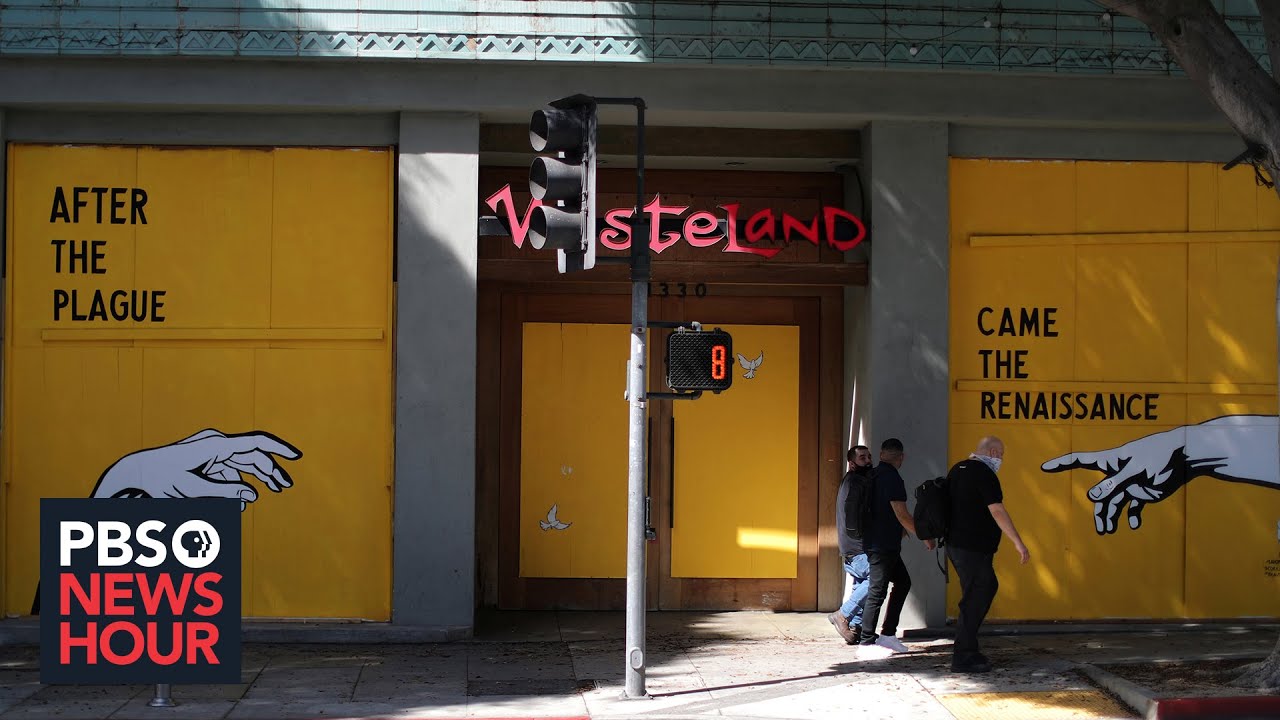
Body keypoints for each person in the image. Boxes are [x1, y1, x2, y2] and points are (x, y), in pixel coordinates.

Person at [946, 435, 1031, 673]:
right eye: (1001, 454)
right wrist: (1018, 542)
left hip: (957, 545)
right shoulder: (984, 473)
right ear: (993, 452)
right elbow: (997, 510)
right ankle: (964, 655)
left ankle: (968, 649)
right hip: (973, 547)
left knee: (980, 591)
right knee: (977, 595)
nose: (1001, 459)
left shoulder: (957, 470)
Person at [857, 438, 917, 654]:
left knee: (903, 582)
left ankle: (888, 635)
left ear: (882, 454)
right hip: (883, 545)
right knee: (877, 591)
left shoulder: (873, 475)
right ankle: (866, 642)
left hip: (876, 541)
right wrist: (924, 535)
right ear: (901, 457)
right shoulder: (892, 478)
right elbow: (901, 513)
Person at [828, 444, 873, 644]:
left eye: (869, 456)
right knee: (875, 578)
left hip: (851, 545)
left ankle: (855, 627)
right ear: (852, 463)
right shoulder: (855, 482)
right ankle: (843, 614)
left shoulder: (852, 481)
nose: (868, 461)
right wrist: (862, 538)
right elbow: (852, 515)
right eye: (862, 458)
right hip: (857, 546)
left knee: (861, 583)